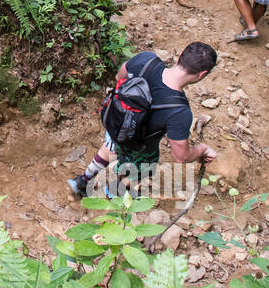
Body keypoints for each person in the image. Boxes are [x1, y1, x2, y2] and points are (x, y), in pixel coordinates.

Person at [68, 43, 218, 198]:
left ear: (180, 55)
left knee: (110, 145)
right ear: (202, 74)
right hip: (139, 146)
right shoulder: (179, 111)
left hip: (115, 122)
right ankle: (112, 194)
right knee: (145, 167)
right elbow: (181, 157)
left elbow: (120, 76)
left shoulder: (146, 60)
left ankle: (82, 181)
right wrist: (202, 150)